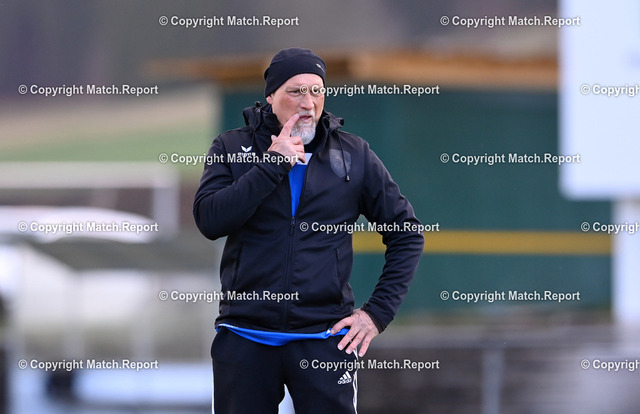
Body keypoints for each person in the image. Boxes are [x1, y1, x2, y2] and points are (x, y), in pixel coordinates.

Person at [193, 47, 424, 414]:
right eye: (296, 91)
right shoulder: (232, 147)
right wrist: (272, 165)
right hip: (245, 336)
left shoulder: (353, 155)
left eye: (317, 91)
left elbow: (407, 234)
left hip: (323, 338)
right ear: (271, 96)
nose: (308, 102)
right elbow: (209, 221)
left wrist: (377, 313)